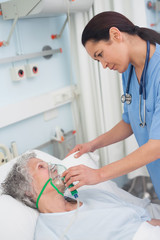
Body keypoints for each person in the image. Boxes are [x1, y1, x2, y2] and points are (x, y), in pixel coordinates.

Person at [62, 11, 160, 200]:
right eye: (97, 61)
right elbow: (131, 121)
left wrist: (98, 175)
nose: (104, 65)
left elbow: (157, 146)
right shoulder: (128, 70)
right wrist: (92, 145)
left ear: (116, 35)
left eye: (100, 55)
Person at [1, 152, 160, 240]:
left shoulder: (91, 194)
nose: (52, 166)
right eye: (41, 166)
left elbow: (145, 219)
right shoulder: (49, 233)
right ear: (27, 190)